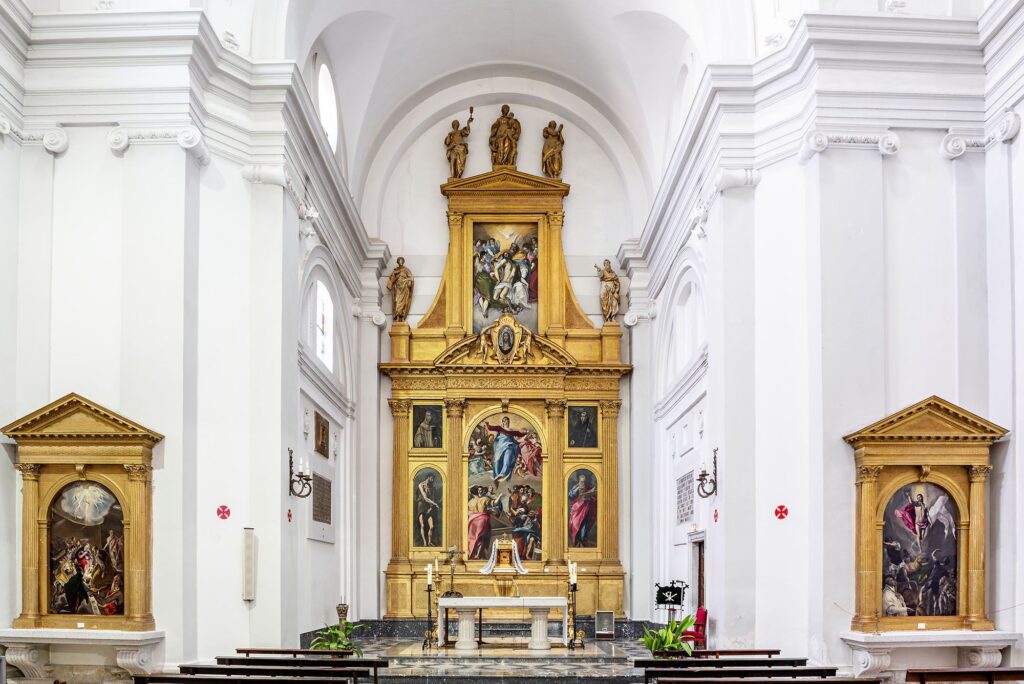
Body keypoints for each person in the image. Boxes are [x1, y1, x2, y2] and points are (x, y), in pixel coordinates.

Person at [485, 417, 529, 482]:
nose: (506, 422)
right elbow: (491, 428)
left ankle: (503, 474)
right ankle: (497, 476)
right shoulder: (500, 428)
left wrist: (526, 433)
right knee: (497, 461)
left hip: (509, 446)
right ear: (502, 422)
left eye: (507, 420)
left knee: (507, 460)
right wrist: (487, 424)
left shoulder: (512, 431)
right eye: (505, 421)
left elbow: (520, 434)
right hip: (500, 447)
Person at [568, 472, 597, 547]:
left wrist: (589, 497)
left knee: (584, 525)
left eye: (583, 481)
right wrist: (577, 489)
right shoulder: (576, 487)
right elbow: (570, 496)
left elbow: (594, 498)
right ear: (578, 480)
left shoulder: (588, 488)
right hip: (576, 509)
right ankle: (576, 541)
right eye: (581, 481)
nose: (582, 482)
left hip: (586, 509)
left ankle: (581, 541)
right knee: (575, 524)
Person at [467, 486, 496, 560]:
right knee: (481, 538)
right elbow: (494, 503)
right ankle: (477, 555)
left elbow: (468, 512)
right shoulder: (485, 499)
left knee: (473, 538)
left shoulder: (470, 502)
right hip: (482, 520)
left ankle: (473, 554)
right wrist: (499, 497)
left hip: (472, 520)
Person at [444, 110, 473, 179]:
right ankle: (453, 176)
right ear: (453, 126)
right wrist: (449, 135)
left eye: (456, 124)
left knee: (461, 162)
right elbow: (447, 143)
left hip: (461, 148)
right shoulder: (450, 134)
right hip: (453, 148)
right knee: (453, 161)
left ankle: (458, 176)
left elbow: (467, 132)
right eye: (454, 124)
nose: (455, 125)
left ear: (458, 125)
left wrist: (468, 123)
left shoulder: (460, 131)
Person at [386, 257, 414, 323]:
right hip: (397, 288)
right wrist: (394, 275)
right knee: (396, 301)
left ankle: (402, 316)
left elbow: (411, 278)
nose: (400, 262)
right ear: (397, 262)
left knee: (403, 303)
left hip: (404, 288)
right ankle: (397, 317)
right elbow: (391, 279)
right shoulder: (395, 270)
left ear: (403, 261)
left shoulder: (406, 270)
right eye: (399, 260)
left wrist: (406, 280)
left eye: (401, 260)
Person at [415, 473, 440, 547]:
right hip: (421, 506)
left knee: (431, 526)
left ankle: (429, 542)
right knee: (422, 525)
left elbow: (432, 498)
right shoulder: (421, 485)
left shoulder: (432, 488)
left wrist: (431, 507)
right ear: (428, 477)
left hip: (429, 506)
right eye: (432, 478)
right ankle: (425, 542)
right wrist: (435, 504)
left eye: (433, 479)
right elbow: (425, 498)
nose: (433, 480)